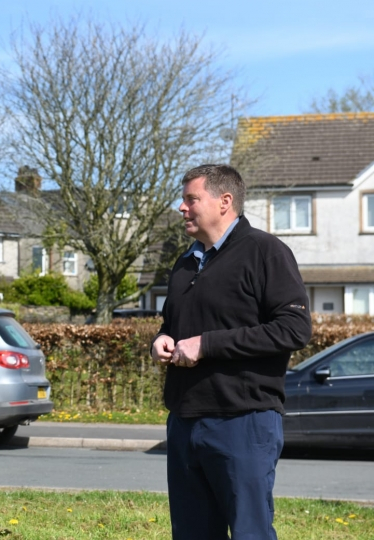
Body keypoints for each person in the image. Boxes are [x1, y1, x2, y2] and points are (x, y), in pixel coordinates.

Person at [150, 164, 311, 540]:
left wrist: (207, 344)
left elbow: (294, 328)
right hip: (185, 420)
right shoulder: (185, 261)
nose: (182, 207)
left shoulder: (266, 252)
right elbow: (173, 325)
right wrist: (162, 339)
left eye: (191, 199)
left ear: (224, 202)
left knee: (249, 532)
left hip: (243, 420)